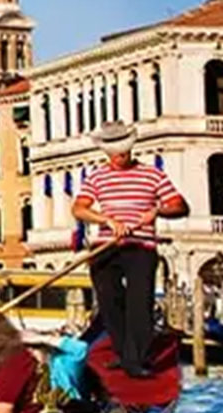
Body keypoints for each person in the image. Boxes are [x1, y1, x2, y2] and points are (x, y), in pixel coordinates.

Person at [72, 121, 187, 378]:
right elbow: (79, 208)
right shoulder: (97, 177)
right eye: (115, 154)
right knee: (108, 298)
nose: (120, 157)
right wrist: (107, 221)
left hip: (141, 246)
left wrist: (157, 210)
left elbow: (180, 206)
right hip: (106, 245)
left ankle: (136, 360)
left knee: (139, 302)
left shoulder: (152, 175)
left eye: (123, 152)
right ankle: (125, 354)